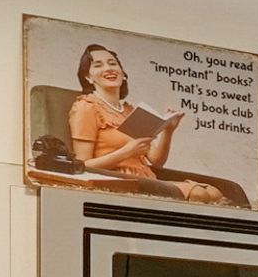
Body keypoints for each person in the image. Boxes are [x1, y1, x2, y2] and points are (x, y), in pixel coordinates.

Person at [66, 43, 177, 178]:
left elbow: (157, 162)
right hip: (116, 180)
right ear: (88, 77)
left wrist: (168, 131)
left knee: (207, 191)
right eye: (98, 65)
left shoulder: (129, 111)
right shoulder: (86, 107)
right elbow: (82, 165)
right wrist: (126, 152)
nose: (108, 68)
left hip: (146, 178)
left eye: (112, 63)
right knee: (198, 194)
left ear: (123, 74)